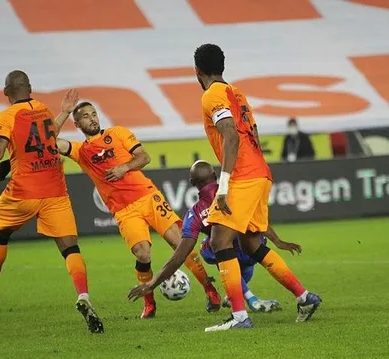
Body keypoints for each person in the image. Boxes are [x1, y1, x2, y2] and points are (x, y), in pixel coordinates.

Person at [128, 44, 322, 332]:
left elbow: (231, 135)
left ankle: (240, 317)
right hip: (260, 173)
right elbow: (253, 133)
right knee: (251, 243)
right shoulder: (236, 93)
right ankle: (304, 297)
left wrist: (224, 184)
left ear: (197, 71)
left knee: (219, 242)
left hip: (244, 176)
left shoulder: (212, 95)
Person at [0, 71, 104, 334]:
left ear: (6, 92)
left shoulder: (6, 116)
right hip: (55, 190)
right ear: (30, 88)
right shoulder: (43, 109)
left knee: (1, 233)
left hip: (23, 191)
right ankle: (83, 295)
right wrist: (62, 113)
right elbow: (45, 140)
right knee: (70, 249)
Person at [50, 98, 221, 319]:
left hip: (148, 197)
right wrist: (64, 112)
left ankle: (210, 289)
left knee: (179, 242)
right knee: (142, 253)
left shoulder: (118, 133)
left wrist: (124, 167)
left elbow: (144, 157)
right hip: (124, 210)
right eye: (85, 116)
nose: (92, 119)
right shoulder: (80, 150)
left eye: (94, 114)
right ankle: (149, 302)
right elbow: (49, 140)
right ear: (77, 124)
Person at [128, 161, 302, 313]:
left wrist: (152, 283)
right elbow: (256, 220)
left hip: (226, 253)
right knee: (244, 245)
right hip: (251, 250)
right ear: (215, 176)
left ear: (192, 183)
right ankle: (298, 295)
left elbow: (180, 254)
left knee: (211, 246)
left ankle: (250, 299)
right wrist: (277, 241)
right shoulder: (236, 194)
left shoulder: (195, 213)